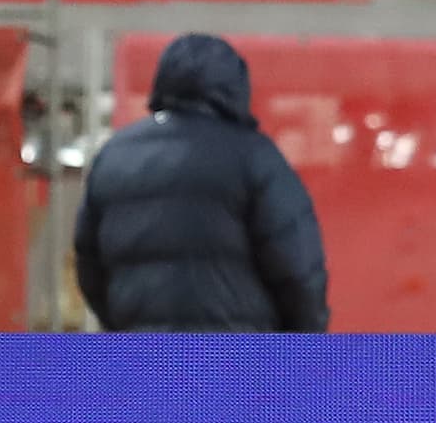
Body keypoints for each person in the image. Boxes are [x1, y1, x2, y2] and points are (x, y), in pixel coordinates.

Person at [73, 32, 329, 332]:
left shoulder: (113, 157)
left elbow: (90, 267)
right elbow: (298, 268)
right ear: (236, 89)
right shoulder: (253, 156)